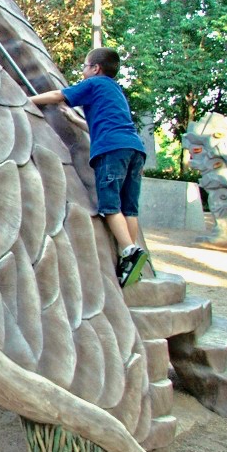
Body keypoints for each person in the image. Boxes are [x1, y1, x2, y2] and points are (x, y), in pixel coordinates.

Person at [31, 47, 150, 287]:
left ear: (95, 68)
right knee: (130, 207)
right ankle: (130, 257)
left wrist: (28, 100)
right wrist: (76, 120)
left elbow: (58, 95)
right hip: (134, 149)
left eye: (85, 66)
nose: (83, 71)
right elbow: (104, 126)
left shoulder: (94, 84)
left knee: (110, 204)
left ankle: (129, 249)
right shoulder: (116, 91)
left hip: (111, 150)